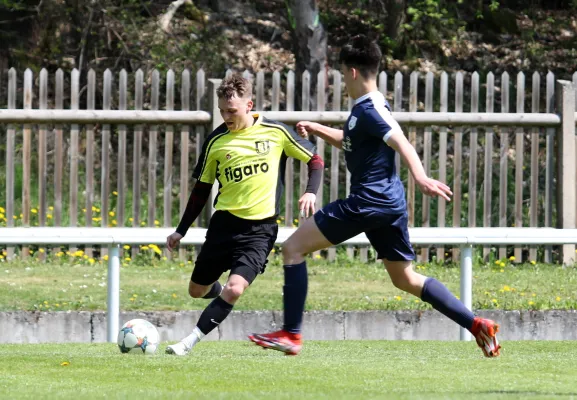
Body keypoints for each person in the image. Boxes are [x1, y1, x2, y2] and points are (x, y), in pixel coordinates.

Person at [249, 35, 501, 358]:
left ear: (352, 73)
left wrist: (421, 176)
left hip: (368, 201)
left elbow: (401, 141)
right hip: (389, 203)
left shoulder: (371, 109)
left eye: (342, 75)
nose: (343, 82)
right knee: (405, 279)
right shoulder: (366, 108)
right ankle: (476, 323)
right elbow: (352, 141)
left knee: (293, 248)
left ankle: (291, 334)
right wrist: (317, 128)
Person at [165, 74, 324, 356]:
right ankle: (219, 294)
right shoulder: (216, 142)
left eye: (232, 111)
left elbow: (315, 160)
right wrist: (181, 230)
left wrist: (311, 191)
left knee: (236, 289)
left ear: (249, 105)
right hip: (223, 227)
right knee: (196, 291)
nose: (226, 116)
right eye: (222, 111)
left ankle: (187, 342)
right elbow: (200, 190)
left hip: (259, 231)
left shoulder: (276, 132)